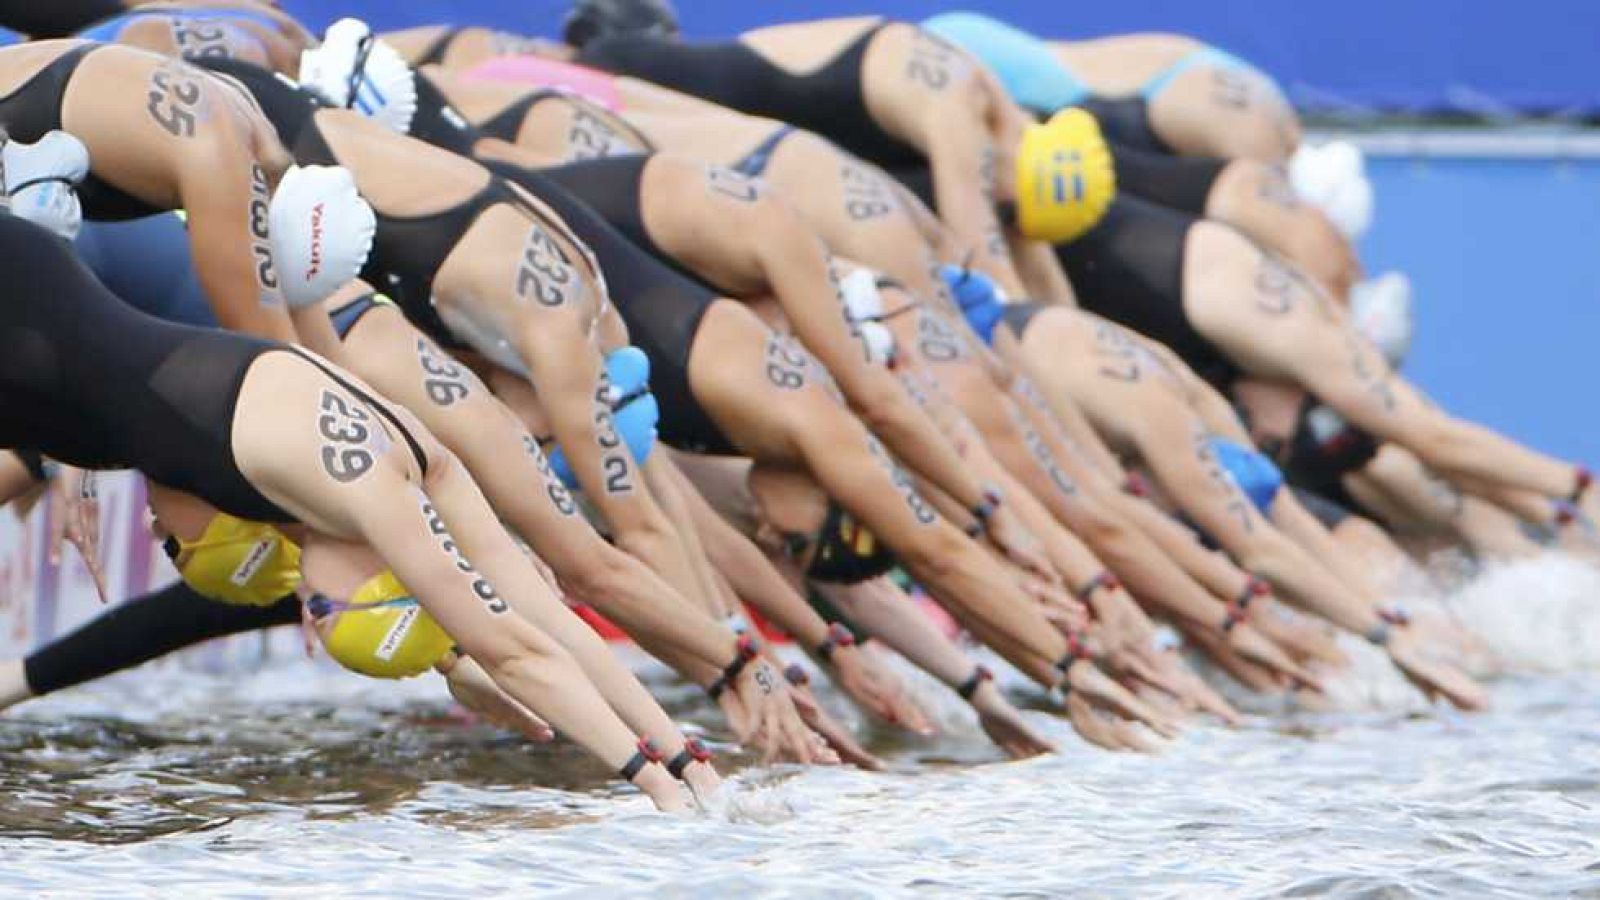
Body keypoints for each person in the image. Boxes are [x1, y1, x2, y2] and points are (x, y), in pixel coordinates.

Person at [0, 209, 702, 810]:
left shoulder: (418, 461)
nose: (308, 610)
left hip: (42, 292)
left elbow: (551, 627)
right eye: (327, 614)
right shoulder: (345, 492)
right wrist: (652, 779)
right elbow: (518, 648)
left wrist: (685, 758)